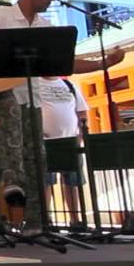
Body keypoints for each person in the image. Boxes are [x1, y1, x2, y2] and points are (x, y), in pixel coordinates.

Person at [0, 0, 123, 230]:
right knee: (12, 164)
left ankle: (36, 224)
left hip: (32, 102)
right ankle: (3, 220)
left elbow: (64, 63)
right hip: (3, 100)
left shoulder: (45, 27)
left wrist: (102, 63)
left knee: (37, 162)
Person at [37, 76, 88, 222]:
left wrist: (80, 135)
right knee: (46, 182)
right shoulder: (33, 85)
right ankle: (46, 219)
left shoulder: (69, 85)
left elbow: (82, 111)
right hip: (45, 142)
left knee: (72, 182)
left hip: (70, 142)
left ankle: (75, 219)